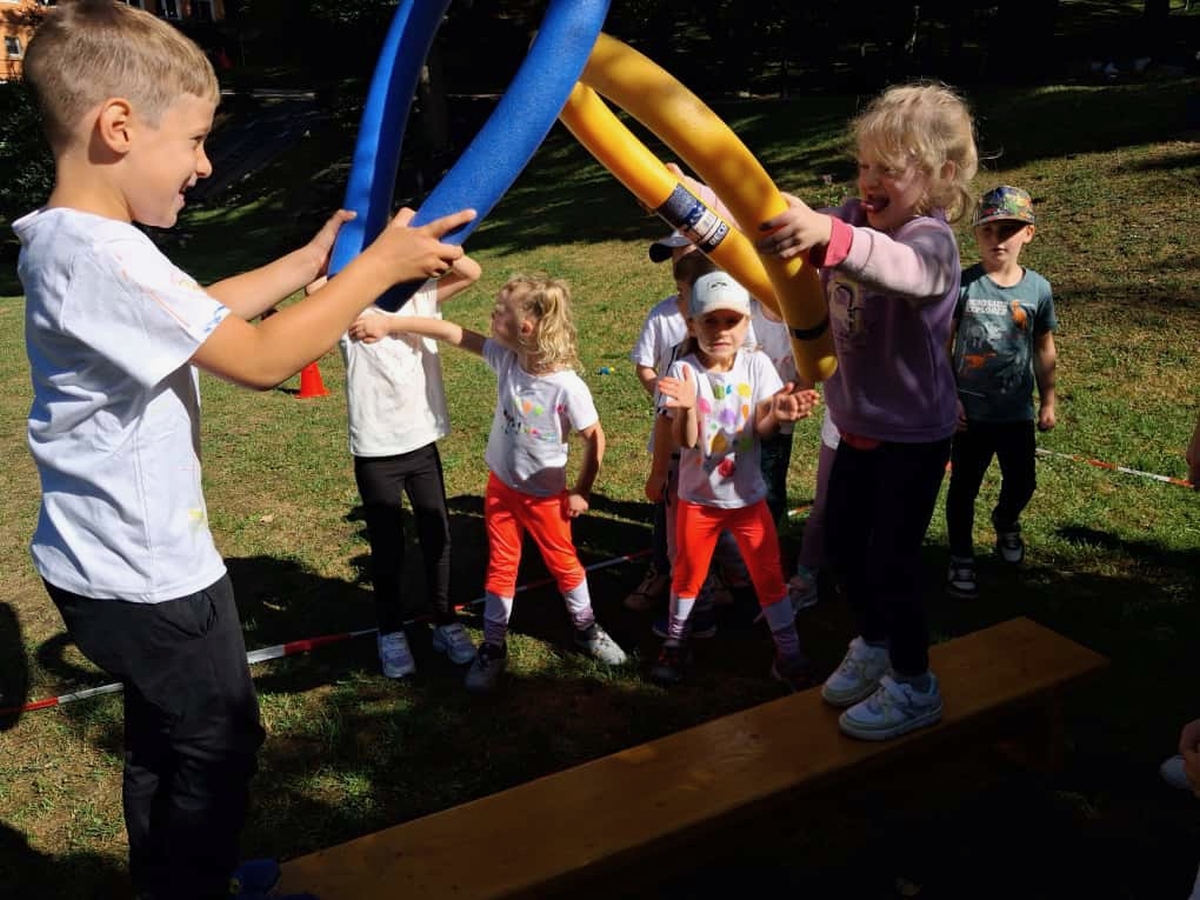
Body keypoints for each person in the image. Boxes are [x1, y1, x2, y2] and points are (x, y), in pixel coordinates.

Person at [14, 3, 474, 898]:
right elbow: (260, 359)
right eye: (194, 140)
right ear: (118, 127)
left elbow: (201, 312)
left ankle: (173, 881)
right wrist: (376, 269)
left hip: (104, 566)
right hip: (150, 576)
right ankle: (197, 887)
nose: (205, 164)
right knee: (217, 742)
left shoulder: (75, 243)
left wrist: (308, 265)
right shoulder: (105, 255)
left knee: (165, 740)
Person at [757, 81, 979, 741]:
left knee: (893, 560)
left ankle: (914, 683)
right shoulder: (853, 217)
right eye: (863, 165)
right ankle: (875, 641)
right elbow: (770, 218)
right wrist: (693, 198)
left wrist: (831, 235)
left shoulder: (930, 241)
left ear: (941, 176)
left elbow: (905, 270)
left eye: (889, 168)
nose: (869, 181)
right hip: (854, 423)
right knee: (844, 547)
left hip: (912, 433)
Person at [385, 273, 628, 693]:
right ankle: (494, 646)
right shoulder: (507, 360)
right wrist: (391, 323)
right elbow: (452, 332)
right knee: (501, 565)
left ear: (526, 328)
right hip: (501, 490)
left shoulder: (567, 387)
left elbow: (595, 438)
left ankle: (586, 628)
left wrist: (582, 490)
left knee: (564, 564)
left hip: (546, 499)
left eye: (499, 312)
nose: (491, 315)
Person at [649, 270, 819, 688]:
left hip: (748, 500)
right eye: (711, 321)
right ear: (692, 325)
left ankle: (789, 653)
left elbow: (760, 428)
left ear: (747, 323)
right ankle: (675, 643)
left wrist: (777, 413)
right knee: (687, 575)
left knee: (769, 576)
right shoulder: (684, 371)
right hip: (697, 501)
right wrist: (687, 408)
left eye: (732, 321)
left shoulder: (757, 364)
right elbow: (688, 441)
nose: (722, 330)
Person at [340, 255, 483, 678]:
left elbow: (471, 272)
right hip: (376, 449)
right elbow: (316, 291)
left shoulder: (420, 296)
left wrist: (393, 319)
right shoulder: (350, 303)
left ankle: (445, 620)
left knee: (437, 534)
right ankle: (390, 631)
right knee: (388, 546)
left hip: (421, 441)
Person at [944, 185, 1057, 599]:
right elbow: (942, 344)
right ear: (976, 234)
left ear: (1028, 233)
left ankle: (1006, 520)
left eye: (1008, 230)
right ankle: (961, 556)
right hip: (969, 416)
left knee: (1023, 482)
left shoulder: (1038, 290)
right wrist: (949, 397)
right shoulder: (964, 285)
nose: (998, 239)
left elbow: (1044, 348)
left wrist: (1048, 400)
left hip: (1015, 413)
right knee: (963, 489)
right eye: (988, 230)